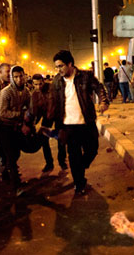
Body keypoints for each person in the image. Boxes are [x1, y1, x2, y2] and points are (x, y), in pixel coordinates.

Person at [50, 50, 109, 195]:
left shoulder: (85, 76)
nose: (58, 70)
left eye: (61, 66)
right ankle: (79, 183)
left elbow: (99, 88)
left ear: (70, 64)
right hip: (68, 125)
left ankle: (80, 168)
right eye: (56, 67)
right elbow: (53, 103)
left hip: (86, 122)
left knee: (92, 149)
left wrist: (103, 101)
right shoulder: (56, 81)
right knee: (74, 155)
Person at [0, 65, 30, 196]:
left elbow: (29, 107)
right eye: (15, 77)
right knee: (11, 155)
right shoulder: (6, 92)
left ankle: (5, 171)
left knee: (15, 154)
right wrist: (21, 115)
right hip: (3, 126)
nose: (19, 79)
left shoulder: (26, 91)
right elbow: (3, 112)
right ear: (12, 78)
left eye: (21, 76)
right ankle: (16, 186)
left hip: (16, 126)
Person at [28, 73, 68, 172]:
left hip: (58, 117)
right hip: (46, 118)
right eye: (35, 84)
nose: (38, 86)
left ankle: (62, 161)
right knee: (44, 141)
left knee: (61, 140)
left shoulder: (52, 89)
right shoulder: (34, 94)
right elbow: (34, 111)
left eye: (40, 84)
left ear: (43, 81)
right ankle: (49, 163)